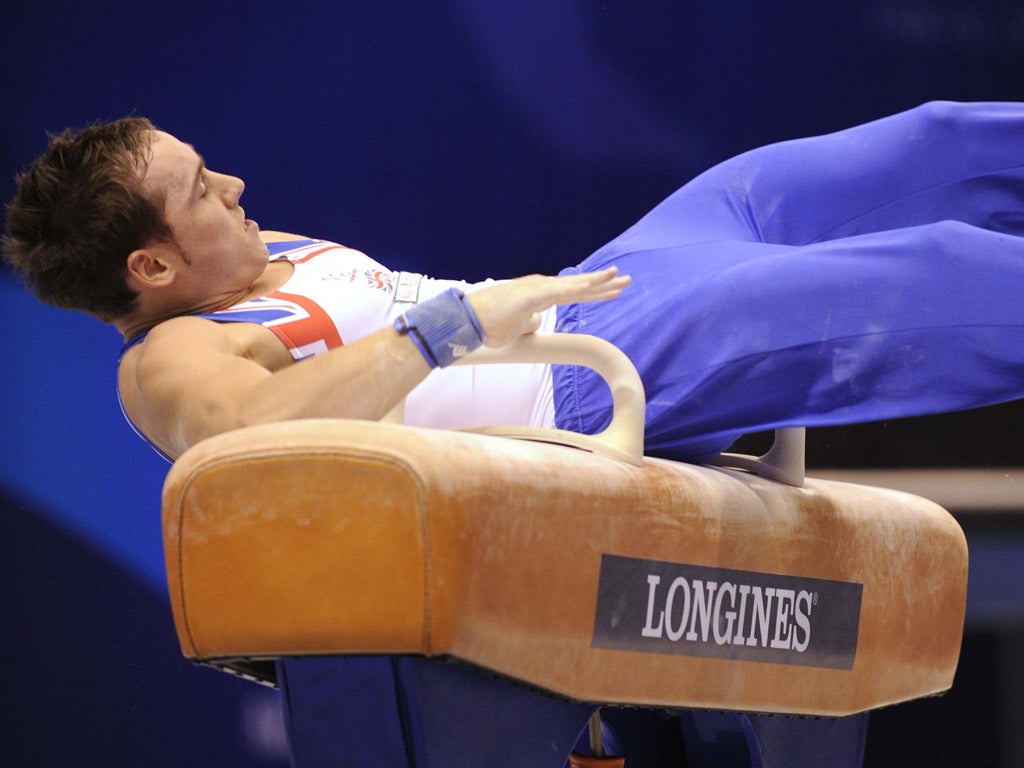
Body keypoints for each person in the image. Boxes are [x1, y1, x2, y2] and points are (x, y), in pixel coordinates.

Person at [6, 101, 1024, 463]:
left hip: (614, 282)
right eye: (199, 189)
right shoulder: (172, 355)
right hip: (588, 381)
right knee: (932, 272)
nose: (232, 185)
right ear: (151, 267)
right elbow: (243, 433)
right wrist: (444, 329)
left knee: (928, 143)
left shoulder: (251, 254)